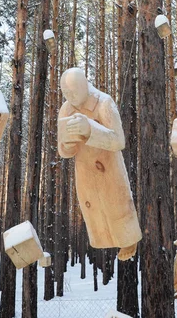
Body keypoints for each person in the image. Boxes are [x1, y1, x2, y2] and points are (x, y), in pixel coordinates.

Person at [57, 68, 142, 261]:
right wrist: (68, 144)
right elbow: (63, 151)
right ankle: (103, 240)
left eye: (73, 92)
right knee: (95, 214)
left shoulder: (104, 103)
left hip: (109, 169)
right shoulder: (66, 110)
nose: (70, 97)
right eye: (66, 93)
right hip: (85, 172)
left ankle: (129, 240)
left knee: (117, 207)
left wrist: (90, 131)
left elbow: (119, 141)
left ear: (85, 86)